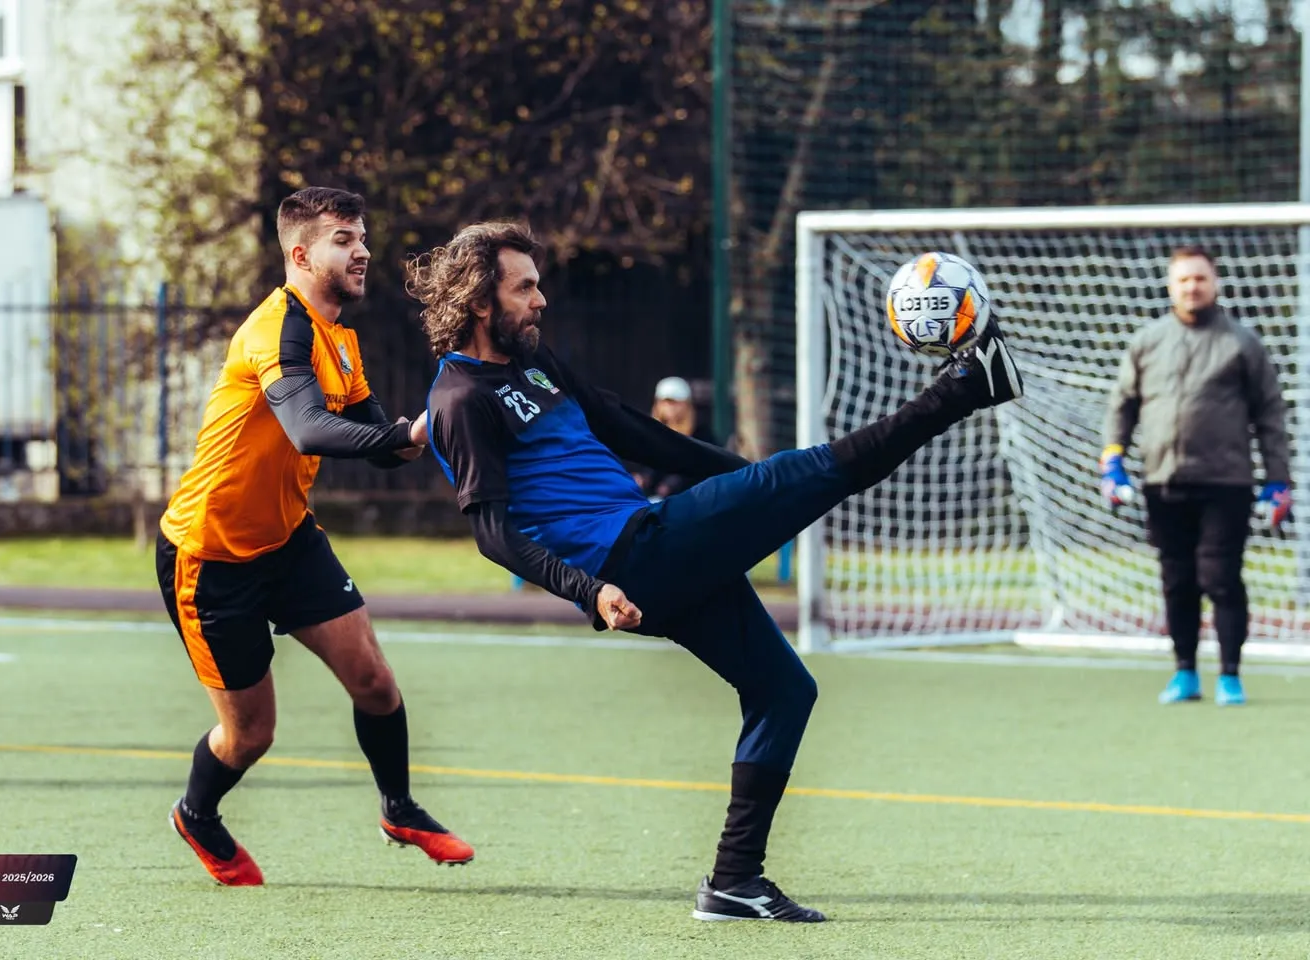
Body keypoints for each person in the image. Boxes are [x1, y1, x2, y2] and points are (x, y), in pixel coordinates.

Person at [405, 222, 1023, 922]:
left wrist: (739, 476)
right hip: (631, 559)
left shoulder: (533, 361)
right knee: (811, 473)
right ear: (479, 301)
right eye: (524, 288)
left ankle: (734, 880)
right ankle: (967, 385)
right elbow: (492, 534)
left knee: (784, 691)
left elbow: (626, 426)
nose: (540, 299)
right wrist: (591, 590)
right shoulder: (459, 400)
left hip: (654, 548)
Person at [155, 187, 473, 886]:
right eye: (343, 239)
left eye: (363, 237)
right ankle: (196, 813)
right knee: (251, 735)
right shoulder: (276, 330)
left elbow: (384, 444)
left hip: (289, 540)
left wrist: (447, 419)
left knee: (375, 683)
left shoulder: (339, 340)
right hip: (210, 558)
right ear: (300, 255)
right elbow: (307, 428)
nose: (362, 251)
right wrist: (408, 432)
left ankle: (399, 808)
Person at [1101, 244, 1291, 707]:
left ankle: (1230, 676)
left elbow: (1270, 414)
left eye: (1200, 278)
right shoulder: (1147, 342)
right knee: (1177, 580)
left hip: (1226, 483)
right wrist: (1113, 460)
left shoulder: (1242, 343)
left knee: (1221, 577)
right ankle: (1184, 671)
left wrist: (1278, 479)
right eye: (1184, 279)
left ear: (1215, 283)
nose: (1192, 287)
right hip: (1163, 481)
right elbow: (1122, 406)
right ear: (1171, 286)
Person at [633, 376, 721, 500]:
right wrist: (643, 477)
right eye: (664, 402)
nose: (670, 407)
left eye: (675, 403)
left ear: (686, 404)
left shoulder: (701, 433)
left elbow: (704, 467)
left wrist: (673, 484)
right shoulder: (649, 431)